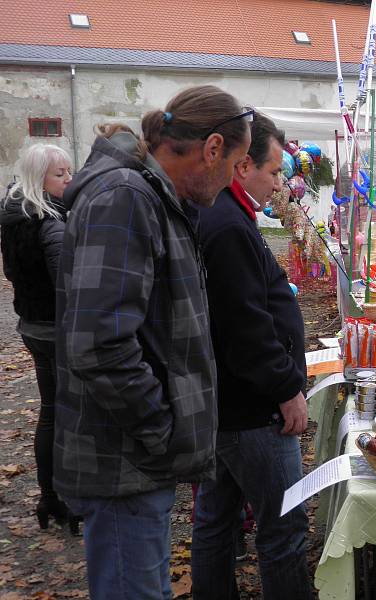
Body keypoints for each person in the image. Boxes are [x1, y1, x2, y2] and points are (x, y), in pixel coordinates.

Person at [53, 85, 251, 599]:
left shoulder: (153, 197)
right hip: (125, 462)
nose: (233, 179)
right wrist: (162, 432)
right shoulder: (126, 198)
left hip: (137, 462)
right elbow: (99, 343)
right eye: (233, 164)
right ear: (211, 148)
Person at [190, 112, 313, 600]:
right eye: (275, 171)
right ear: (243, 167)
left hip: (230, 404)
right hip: (253, 410)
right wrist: (286, 389)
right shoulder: (227, 224)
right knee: (282, 527)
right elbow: (245, 326)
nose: (279, 182)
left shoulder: (225, 213)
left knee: (216, 519)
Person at [0, 144, 79, 534]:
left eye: (68, 171)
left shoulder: (14, 214)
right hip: (56, 329)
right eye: (60, 174)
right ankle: (68, 496)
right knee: (71, 414)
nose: (69, 179)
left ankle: (50, 496)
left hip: (31, 325)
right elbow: (69, 283)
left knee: (51, 411)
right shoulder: (50, 220)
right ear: (39, 179)